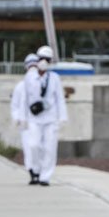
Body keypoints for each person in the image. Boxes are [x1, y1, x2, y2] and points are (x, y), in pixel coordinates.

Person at [22, 45, 67, 186]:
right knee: (34, 145)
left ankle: (45, 176)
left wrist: (62, 117)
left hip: (51, 119)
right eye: (42, 59)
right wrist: (23, 117)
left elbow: (60, 98)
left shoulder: (54, 78)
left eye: (47, 59)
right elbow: (25, 98)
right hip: (34, 118)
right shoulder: (29, 77)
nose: (44, 62)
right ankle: (35, 169)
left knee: (50, 148)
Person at [10, 53, 41, 184]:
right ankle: (32, 172)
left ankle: (40, 171)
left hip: (40, 122)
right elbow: (15, 105)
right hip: (25, 122)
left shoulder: (42, 84)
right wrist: (17, 118)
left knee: (39, 147)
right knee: (29, 148)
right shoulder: (20, 86)